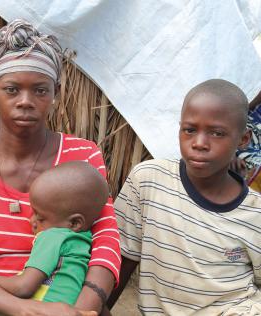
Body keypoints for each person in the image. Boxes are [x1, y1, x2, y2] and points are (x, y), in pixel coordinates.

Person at [0, 20, 121, 316]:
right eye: (12, 89)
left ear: (55, 92)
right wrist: (27, 311)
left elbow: (105, 243)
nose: (26, 102)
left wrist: (82, 309)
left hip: (68, 302)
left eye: (40, 91)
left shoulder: (82, 157)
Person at [108, 79, 261, 315]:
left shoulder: (255, 212)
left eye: (217, 133)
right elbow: (122, 258)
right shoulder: (149, 180)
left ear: (243, 139)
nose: (199, 143)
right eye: (189, 130)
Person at [0, 161, 109, 316]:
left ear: (75, 222)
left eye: (40, 217)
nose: (31, 221)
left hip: (36, 309)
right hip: (61, 307)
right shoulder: (84, 241)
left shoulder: (52, 237)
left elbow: (24, 287)